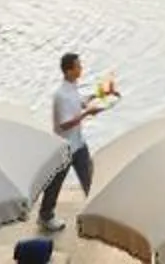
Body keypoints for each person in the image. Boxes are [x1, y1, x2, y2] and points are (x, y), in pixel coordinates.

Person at [37, 52, 115, 232]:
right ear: (69, 71)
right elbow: (64, 125)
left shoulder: (72, 88)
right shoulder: (60, 95)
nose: (81, 68)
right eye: (78, 66)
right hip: (64, 148)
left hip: (78, 144)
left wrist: (101, 94)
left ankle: (96, 213)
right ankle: (45, 216)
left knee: (89, 178)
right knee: (55, 184)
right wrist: (86, 114)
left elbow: (81, 101)